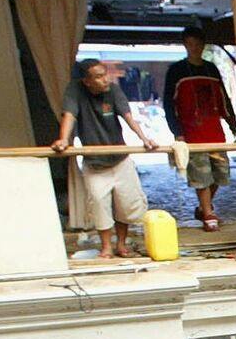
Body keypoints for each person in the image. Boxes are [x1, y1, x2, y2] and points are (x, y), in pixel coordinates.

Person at [52, 59, 159, 259]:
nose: (105, 79)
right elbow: (69, 115)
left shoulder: (113, 90)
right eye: (99, 77)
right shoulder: (74, 91)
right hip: (94, 163)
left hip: (120, 158)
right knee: (99, 204)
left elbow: (128, 116)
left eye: (105, 74)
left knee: (126, 205)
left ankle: (121, 244)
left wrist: (144, 139)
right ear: (87, 81)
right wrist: (64, 140)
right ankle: (106, 247)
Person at [163, 27, 236, 232]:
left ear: (203, 46)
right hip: (192, 133)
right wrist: (177, 131)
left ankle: (203, 207)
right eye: (190, 44)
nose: (194, 48)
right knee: (201, 175)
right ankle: (208, 213)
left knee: (220, 175)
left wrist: (233, 123)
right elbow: (169, 104)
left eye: (198, 44)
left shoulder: (211, 69)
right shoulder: (176, 70)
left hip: (215, 131)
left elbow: (224, 98)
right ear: (185, 45)